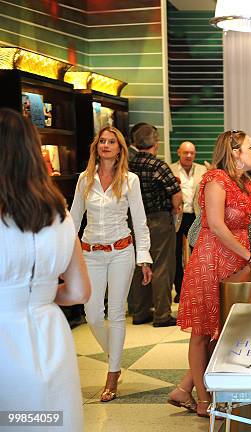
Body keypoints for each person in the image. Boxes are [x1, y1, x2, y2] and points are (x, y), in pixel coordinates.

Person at [0, 108, 91, 429]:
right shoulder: (58, 213)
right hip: (49, 334)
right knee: (48, 419)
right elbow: (79, 290)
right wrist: (36, 293)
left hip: (6, 339)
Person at [168, 130, 251, 417]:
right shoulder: (215, 179)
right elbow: (216, 224)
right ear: (234, 152)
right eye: (250, 147)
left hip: (236, 263)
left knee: (223, 331)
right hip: (211, 261)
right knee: (202, 332)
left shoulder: (247, 182)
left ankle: (185, 387)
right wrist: (249, 255)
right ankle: (202, 397)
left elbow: (248, 227)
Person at [71, 126, 152, 402]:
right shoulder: (84, 180)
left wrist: (144, 257)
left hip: (121, 251)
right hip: (90, 251)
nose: (106, 145)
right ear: (97, 147)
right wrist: (63, 255)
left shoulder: (130, 180)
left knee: (116, 313)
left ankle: (113, 373)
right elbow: (73, 218)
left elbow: (139, 221)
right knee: (92, 313)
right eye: (102, 141)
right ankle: (113, 352)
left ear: (120, 149)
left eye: (111, 142)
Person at [129, 124, 182, 327]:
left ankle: (140, 312)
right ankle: (162, 315)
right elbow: (176, 195)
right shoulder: (158, 165)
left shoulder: (130, 165)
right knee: (161, 266)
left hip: (135, 220)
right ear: (155, 143)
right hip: (159, 220)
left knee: (140, 264)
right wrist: (174, 209)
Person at [170, 141, 207, 303]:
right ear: (179, 153)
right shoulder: (170, 169)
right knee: (175, 254)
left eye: (192, 153)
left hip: (196, 216)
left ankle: (196, 289)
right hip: (177, 216)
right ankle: (180, 290)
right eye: (185, 152)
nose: (189, 156)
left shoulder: (202, 170)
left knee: (198, 254)